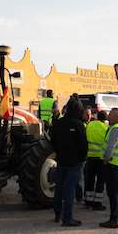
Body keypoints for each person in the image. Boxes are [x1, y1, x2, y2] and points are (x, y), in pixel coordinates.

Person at [50, 97, 87, 226]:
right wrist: (81, 159)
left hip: (61, 160)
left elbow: (52, 140)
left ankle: (57, 214)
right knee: (70, 189)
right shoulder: (78, 125)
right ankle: (67, 218)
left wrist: (58, 153)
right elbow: (83, 145)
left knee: (59, 188)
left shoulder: (59, 123)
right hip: (74, 162)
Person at [100, 108, 118, 229]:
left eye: (110, 115)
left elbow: (110, 148)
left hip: (112, 165)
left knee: (113, 193)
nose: (108, 117)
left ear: (117, 117)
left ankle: (113, 219)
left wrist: (106, 160)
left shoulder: (115, 129)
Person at [84, 110, 109, 210]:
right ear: (105, 119)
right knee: (100, 181)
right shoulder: (106, 128)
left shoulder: (90, 125)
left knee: (89, 179)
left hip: (90, 157)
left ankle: (88, 201)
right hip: (101, 158)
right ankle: (97, 203)